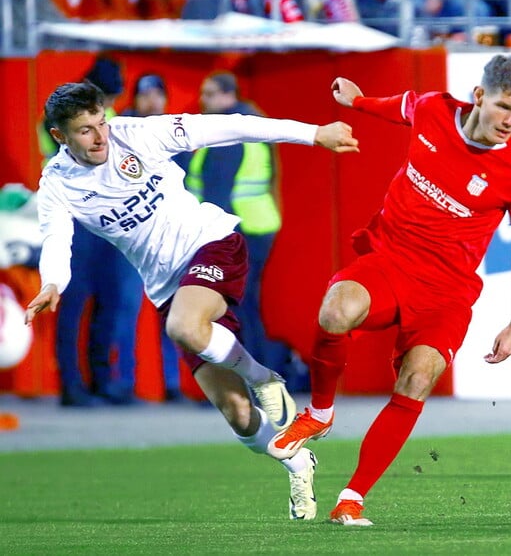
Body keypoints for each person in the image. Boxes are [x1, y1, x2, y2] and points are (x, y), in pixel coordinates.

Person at [25, 81, 359, 518]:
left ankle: (263, 377)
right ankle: (298, 461)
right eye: (85, 130)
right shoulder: (57, 183)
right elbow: (55, 239)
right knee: (238, 415)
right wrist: (52, 283)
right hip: (168, 287)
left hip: (212, 244)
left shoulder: (139, 134)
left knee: (183, 327)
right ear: (60, 136)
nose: (100, 136)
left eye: (101, 122)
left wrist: (313, 133)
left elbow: (229, 126)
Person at [267, 54, 511, 526]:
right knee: (336, 311)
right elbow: (398, 106)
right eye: (503, 107)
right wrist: (357, 101)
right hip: (391, 262)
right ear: (479, 96)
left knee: (418, 379)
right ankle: (320, 412)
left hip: (448, 292)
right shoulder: (434, 109)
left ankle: (352, 497)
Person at [187, 72, 294, 385]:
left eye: (209, 95)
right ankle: (258, 377)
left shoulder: (227, 133)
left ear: (227, 95)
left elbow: (216, 194)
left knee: (233, 310)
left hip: (238, 231)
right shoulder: (251, 124)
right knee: (246, 306)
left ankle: (247, 380)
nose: (203, 101)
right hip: (258, 225)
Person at [50, 57, 145, 407]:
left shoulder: (106, 117)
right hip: (76, 222)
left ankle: (102, 382)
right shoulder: (61, 117)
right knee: (73, 305)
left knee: (108, 303)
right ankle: (72, 386)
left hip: (108, 224)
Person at [120, 72, 185, 402]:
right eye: (145, 94)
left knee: (174, 315)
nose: (152, 101)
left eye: (158, 93)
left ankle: (174, 385)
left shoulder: (173, 131)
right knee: (126, 310)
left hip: (167, 240)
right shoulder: (118, 132)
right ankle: (124, 384)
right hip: (131, 242)